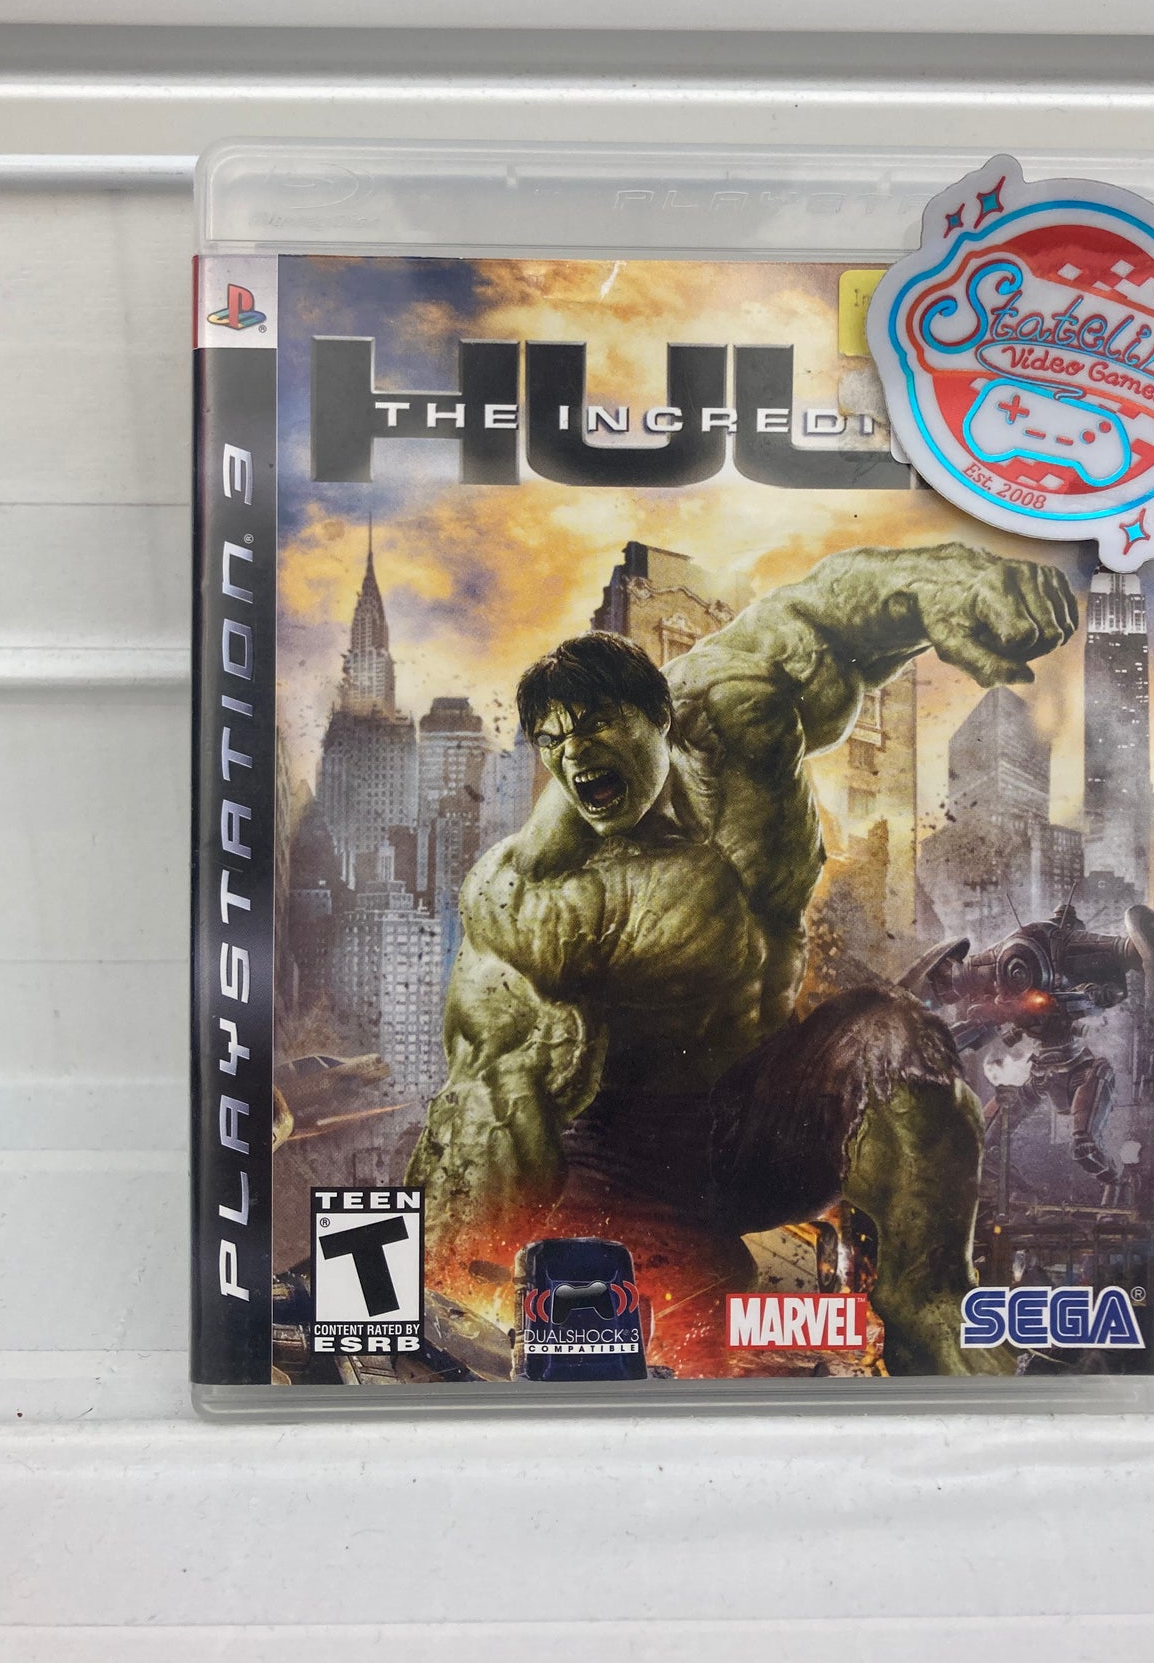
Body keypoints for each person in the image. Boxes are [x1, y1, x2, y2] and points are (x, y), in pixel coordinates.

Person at [405, 541, 1077, 1373]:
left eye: (596, 726)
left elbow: (820, 617)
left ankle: (927, 1303)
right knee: (677, 1350)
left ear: (660, 715)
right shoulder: (535, 896)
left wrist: (946, 579)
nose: (574, 756)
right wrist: (441, 1291)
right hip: (619, 1170)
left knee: (893, 1036)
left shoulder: (730, 716)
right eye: (552, 741)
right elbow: (491, 1108)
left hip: (765, 1123)